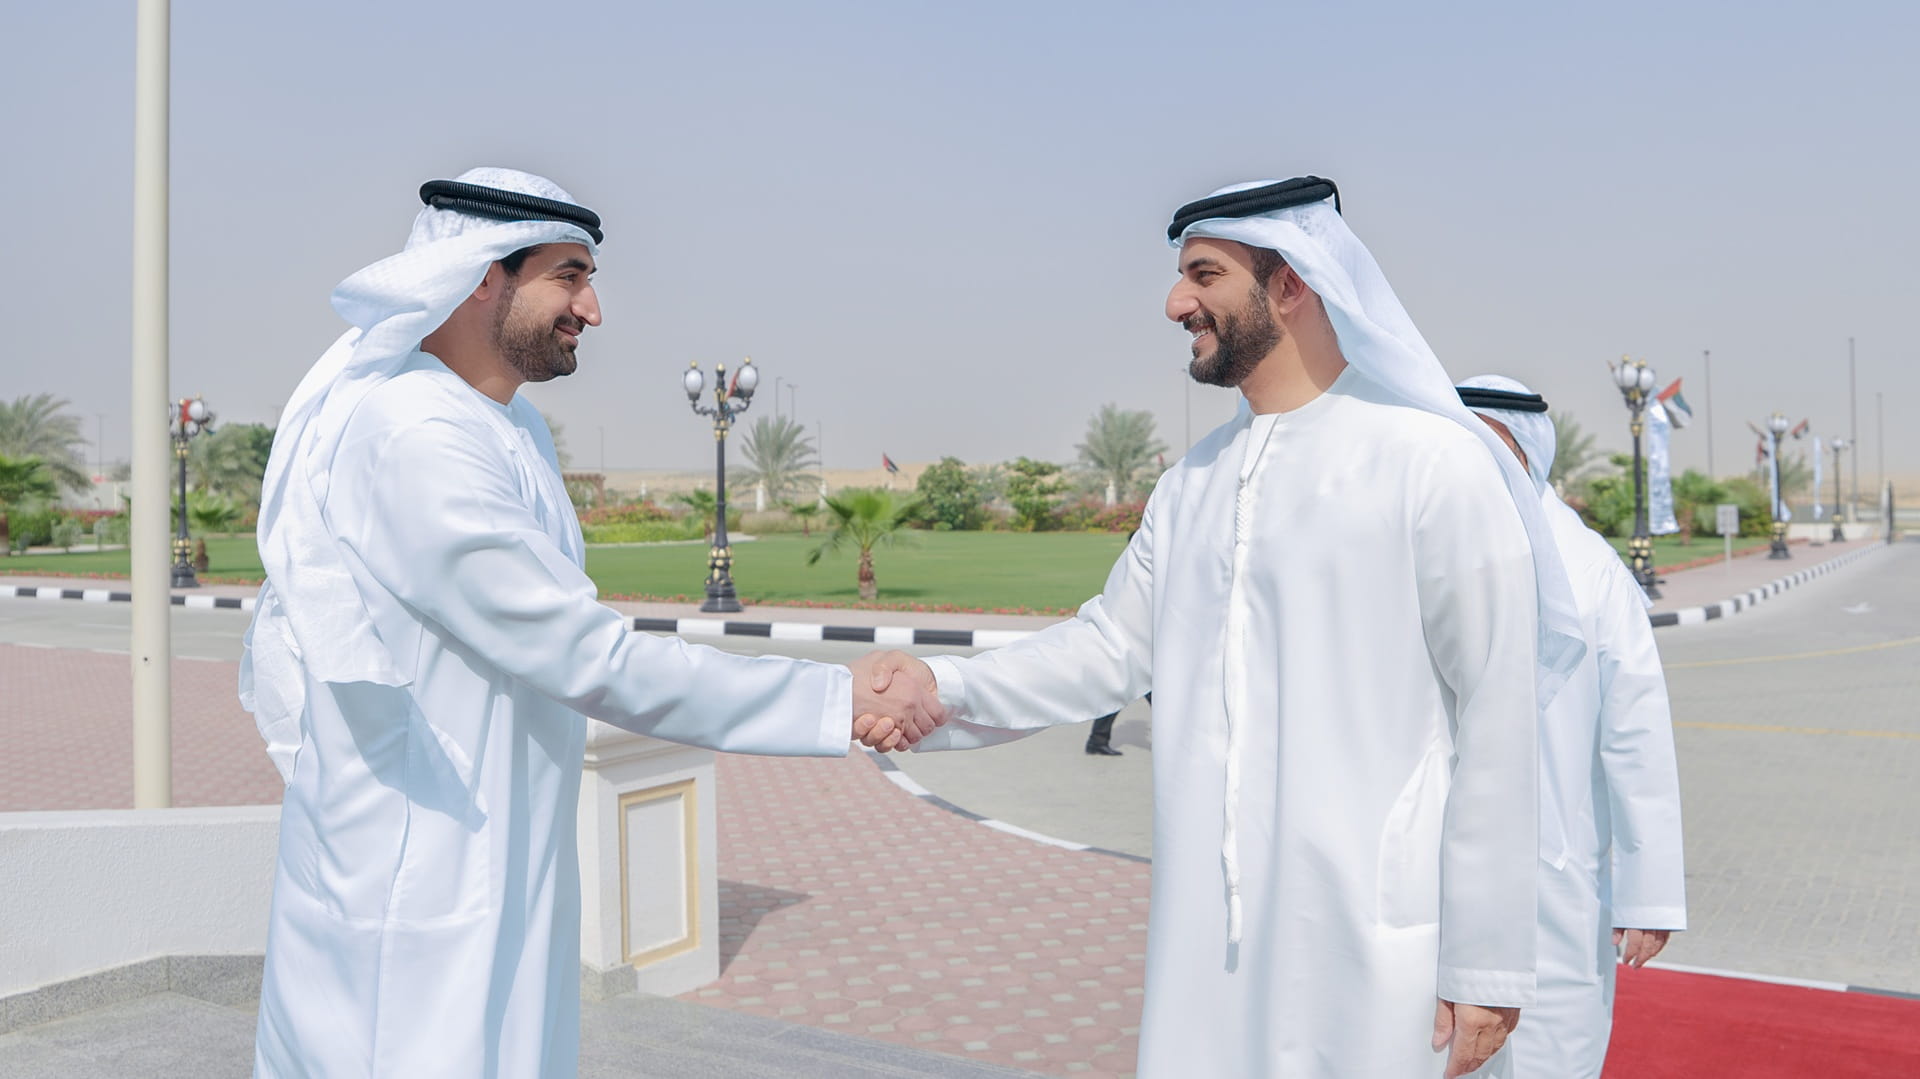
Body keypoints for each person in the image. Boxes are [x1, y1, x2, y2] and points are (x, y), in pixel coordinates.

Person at [862, 176, 1588, 1078]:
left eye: (1204, 275)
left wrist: (1485, 959)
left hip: (1378, 949)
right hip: (1207, 947)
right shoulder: (1193, 483)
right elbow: (1109, 646)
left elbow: (1498, 713)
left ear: (1292, 282)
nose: (1176, 303)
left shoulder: (1430, 462)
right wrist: (943, 686)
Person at [239, 167, 940, 1077]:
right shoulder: (412, 433)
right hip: (412, 877)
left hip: (502, 856)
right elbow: (582, 652)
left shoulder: (509, 428)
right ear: (481, 274)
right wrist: (834, 699)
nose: (593, 310)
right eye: (569, 276)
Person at [1458, 375, 1688, 1078]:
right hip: (1440, 875)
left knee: (1550, 1053)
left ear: (1527, 450)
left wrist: (1649, 891)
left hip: (1553, 874)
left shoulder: (1593, 571)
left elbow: (1637, 736)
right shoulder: (1432, 552)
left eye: (1489, 445)